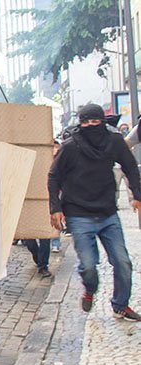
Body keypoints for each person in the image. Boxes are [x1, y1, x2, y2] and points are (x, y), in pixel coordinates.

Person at [49, 103, 141, 321]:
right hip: (78, 213)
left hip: (108, 212)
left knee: (123, 262)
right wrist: (55, 208)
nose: (90, 126)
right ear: (80, 124)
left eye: (95, 121)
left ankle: (120, 304)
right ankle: (90, 289)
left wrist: (137, 195)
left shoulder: (114, 141)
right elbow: (54, 176)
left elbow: (129, 166)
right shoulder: (70, 146)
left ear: (102, 122)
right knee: (89, 265)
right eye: (85, 122)